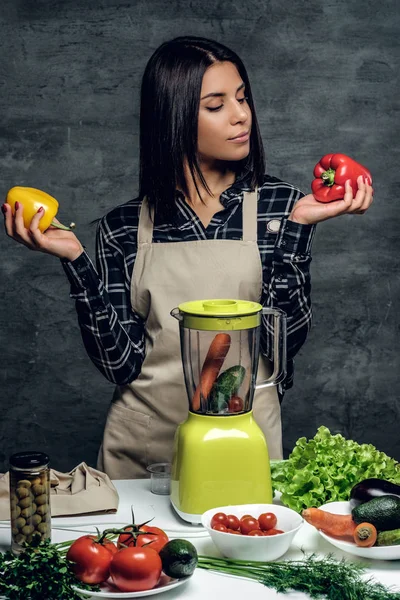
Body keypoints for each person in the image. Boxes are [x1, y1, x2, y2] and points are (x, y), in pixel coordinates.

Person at [2, 36, 373, 478]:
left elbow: (281, 348)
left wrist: (297, 230)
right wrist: (76, 260)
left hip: (242, 443)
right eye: (215, 106)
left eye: (242, 98)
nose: (241, 116)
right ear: (173, 118)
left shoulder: (280, 207)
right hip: (145, 456)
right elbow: (119, 364)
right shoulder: (123, 227)